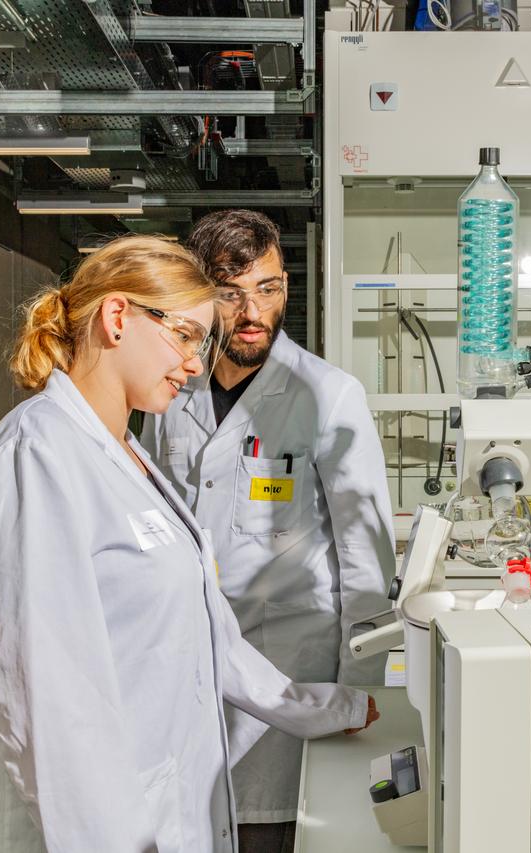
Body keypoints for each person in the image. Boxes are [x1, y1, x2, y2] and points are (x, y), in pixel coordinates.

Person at [0, 235, 377, 853]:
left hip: (170, 803)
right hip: (102, 828)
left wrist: (326, 707)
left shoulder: (126, 453)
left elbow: (206, 634)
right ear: (117, 316)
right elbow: (43, 701)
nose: (194, 364)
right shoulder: (38, 455)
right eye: (184, 336)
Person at [141, 211, 395, 849]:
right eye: (230, 294)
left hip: (288, 669)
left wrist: (357, 689)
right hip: (187, 663)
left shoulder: (328, 395)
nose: (253, 312)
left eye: (269, 288)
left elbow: (366, 561)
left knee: (269, 831)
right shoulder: (169, 391)